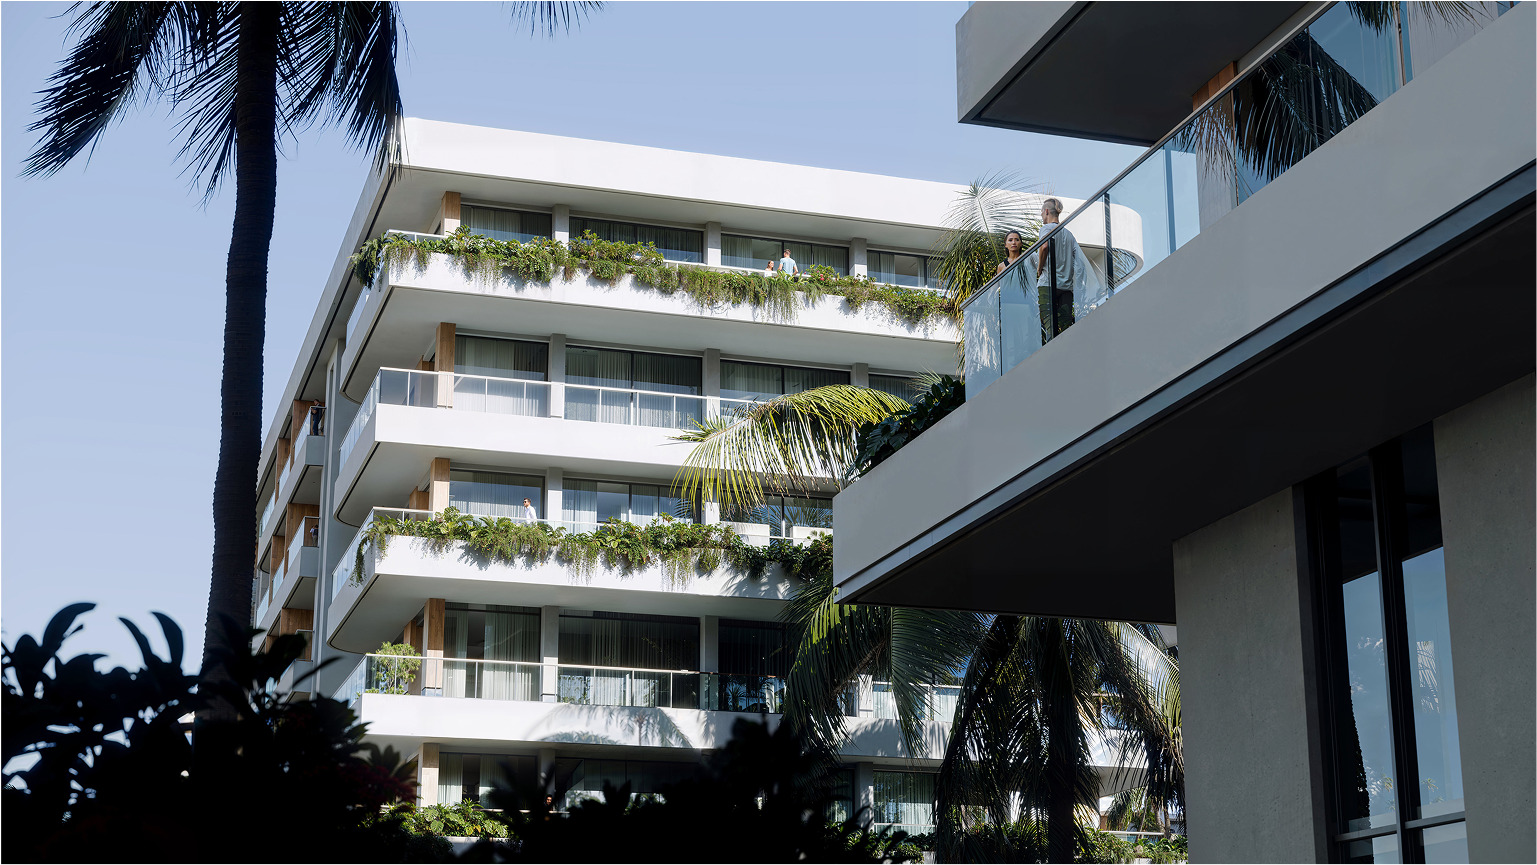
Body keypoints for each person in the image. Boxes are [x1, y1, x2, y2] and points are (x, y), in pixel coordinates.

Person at [1035, 198, 1085, 336]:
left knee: (1050, 328)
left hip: (1047, 285)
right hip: (1066, 288)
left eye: (1041, 212)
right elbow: (1079, 262)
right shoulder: (1069, 235)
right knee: (1065, 328)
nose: (1041, 215)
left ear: (1046, 211)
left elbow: (1044, 246)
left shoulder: (1046, 228)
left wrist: (1039, 268)